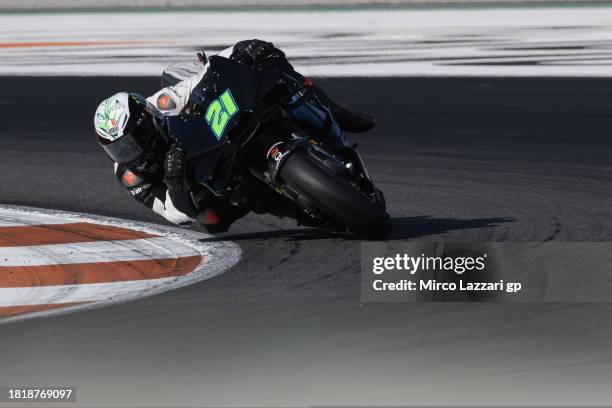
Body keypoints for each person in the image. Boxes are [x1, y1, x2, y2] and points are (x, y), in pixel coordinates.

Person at [93, 39, 375, 232]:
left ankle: (334, 113)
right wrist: (175, 182)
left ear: (147, 120)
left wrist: (242, 49)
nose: (131, 154)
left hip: (224, 134)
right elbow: (174, 214)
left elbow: (206, 74)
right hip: (210, 181)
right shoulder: (129, 174)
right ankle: (295, 209)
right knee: (211, 220)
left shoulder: (164, 103)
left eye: (132, 142)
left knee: (275, 79)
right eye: (119, 149)